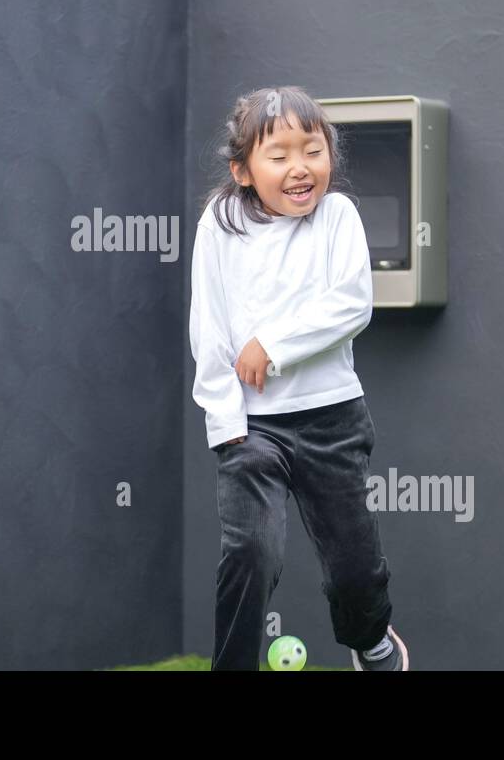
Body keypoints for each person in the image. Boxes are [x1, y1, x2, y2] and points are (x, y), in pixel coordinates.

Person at [189, 85, 408, 671]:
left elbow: (353, 304)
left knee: (354, 564)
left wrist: (272, 345)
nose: (299, 167)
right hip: (251, 425)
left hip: (332, 419)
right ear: (242, 169)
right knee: (250, 553)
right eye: (278, 154)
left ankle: (373, 642)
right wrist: (226, 421)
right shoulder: (220, 223)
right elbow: (208, 328)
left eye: (312, 150)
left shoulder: (338, 216)